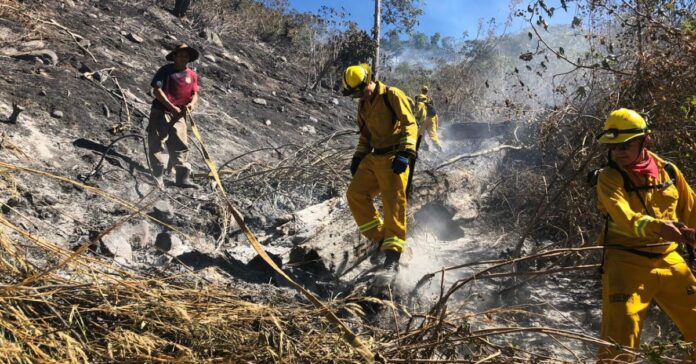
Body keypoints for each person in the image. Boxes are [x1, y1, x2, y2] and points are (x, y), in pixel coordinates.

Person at [594, 108, 696, 362]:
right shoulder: (609, 178)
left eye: (626, 144)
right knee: (620, 345)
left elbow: (692, 210)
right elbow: (626, 218)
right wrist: (661, 227)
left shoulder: (669, 172)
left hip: (668, 259)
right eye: (614, 146)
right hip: (625, 264)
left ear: (645, 140)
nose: (619, 151)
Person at [342, 63, 418, 272]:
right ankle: (382, 237)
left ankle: (393, 255)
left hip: (394, 156)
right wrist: (358, 156)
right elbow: (365, 135)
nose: (359, 96)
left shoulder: (391, 95)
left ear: (369, 81)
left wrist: (406, 152)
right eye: (355, 94)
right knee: (355, 194)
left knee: (393, 204)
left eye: (360, 91)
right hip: (374, 157)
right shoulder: (364, 104)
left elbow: (410, 124)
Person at [147, 44, 200, 189]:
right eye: (181, 55)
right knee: (156, 143)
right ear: (175, 56)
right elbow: (157, 91)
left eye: (186, 56)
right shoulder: (166, 71)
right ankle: (157, 176)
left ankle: (181, 178)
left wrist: (191, 105)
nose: (184, 58)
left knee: (180, 144)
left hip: (180, 115)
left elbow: (195, 93)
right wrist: (172, 107)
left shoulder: (192, 75)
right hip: (161, 112)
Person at [414, 86, 442, 152]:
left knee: (418, 134)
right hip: (433, 118)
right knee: (433, 135)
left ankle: (420, 147)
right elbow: (434, 112)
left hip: (424, 120)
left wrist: (415, 118)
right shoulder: (429, 99)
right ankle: (438, 146)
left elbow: (417, 113)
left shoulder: (419, 103)